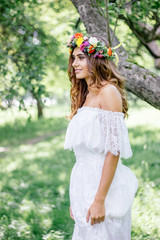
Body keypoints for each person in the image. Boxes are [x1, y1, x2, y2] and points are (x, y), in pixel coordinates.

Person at [64, 32, 138, 240]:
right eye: (73, 58)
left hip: (103, 184)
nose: (74, 64)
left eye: (80, 58)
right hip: (82, 182)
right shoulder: (85, 94)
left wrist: (99, 200)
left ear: (96, 60)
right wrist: (76, 197)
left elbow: (113, 151)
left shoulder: (108, 92)